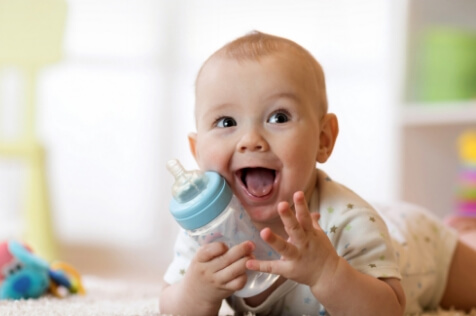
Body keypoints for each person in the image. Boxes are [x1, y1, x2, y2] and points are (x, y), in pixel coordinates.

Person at [159, 31, 476, 316]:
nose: (250, 140)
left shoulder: (348, 222)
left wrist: (328, 273)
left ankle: (463, 234)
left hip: (420, 249)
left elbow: (388, 310)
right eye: (226, 122)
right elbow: (170, 304)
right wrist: (196, 292)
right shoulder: (210, 231)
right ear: (196, 151)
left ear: (324, 139)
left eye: (279, 117)